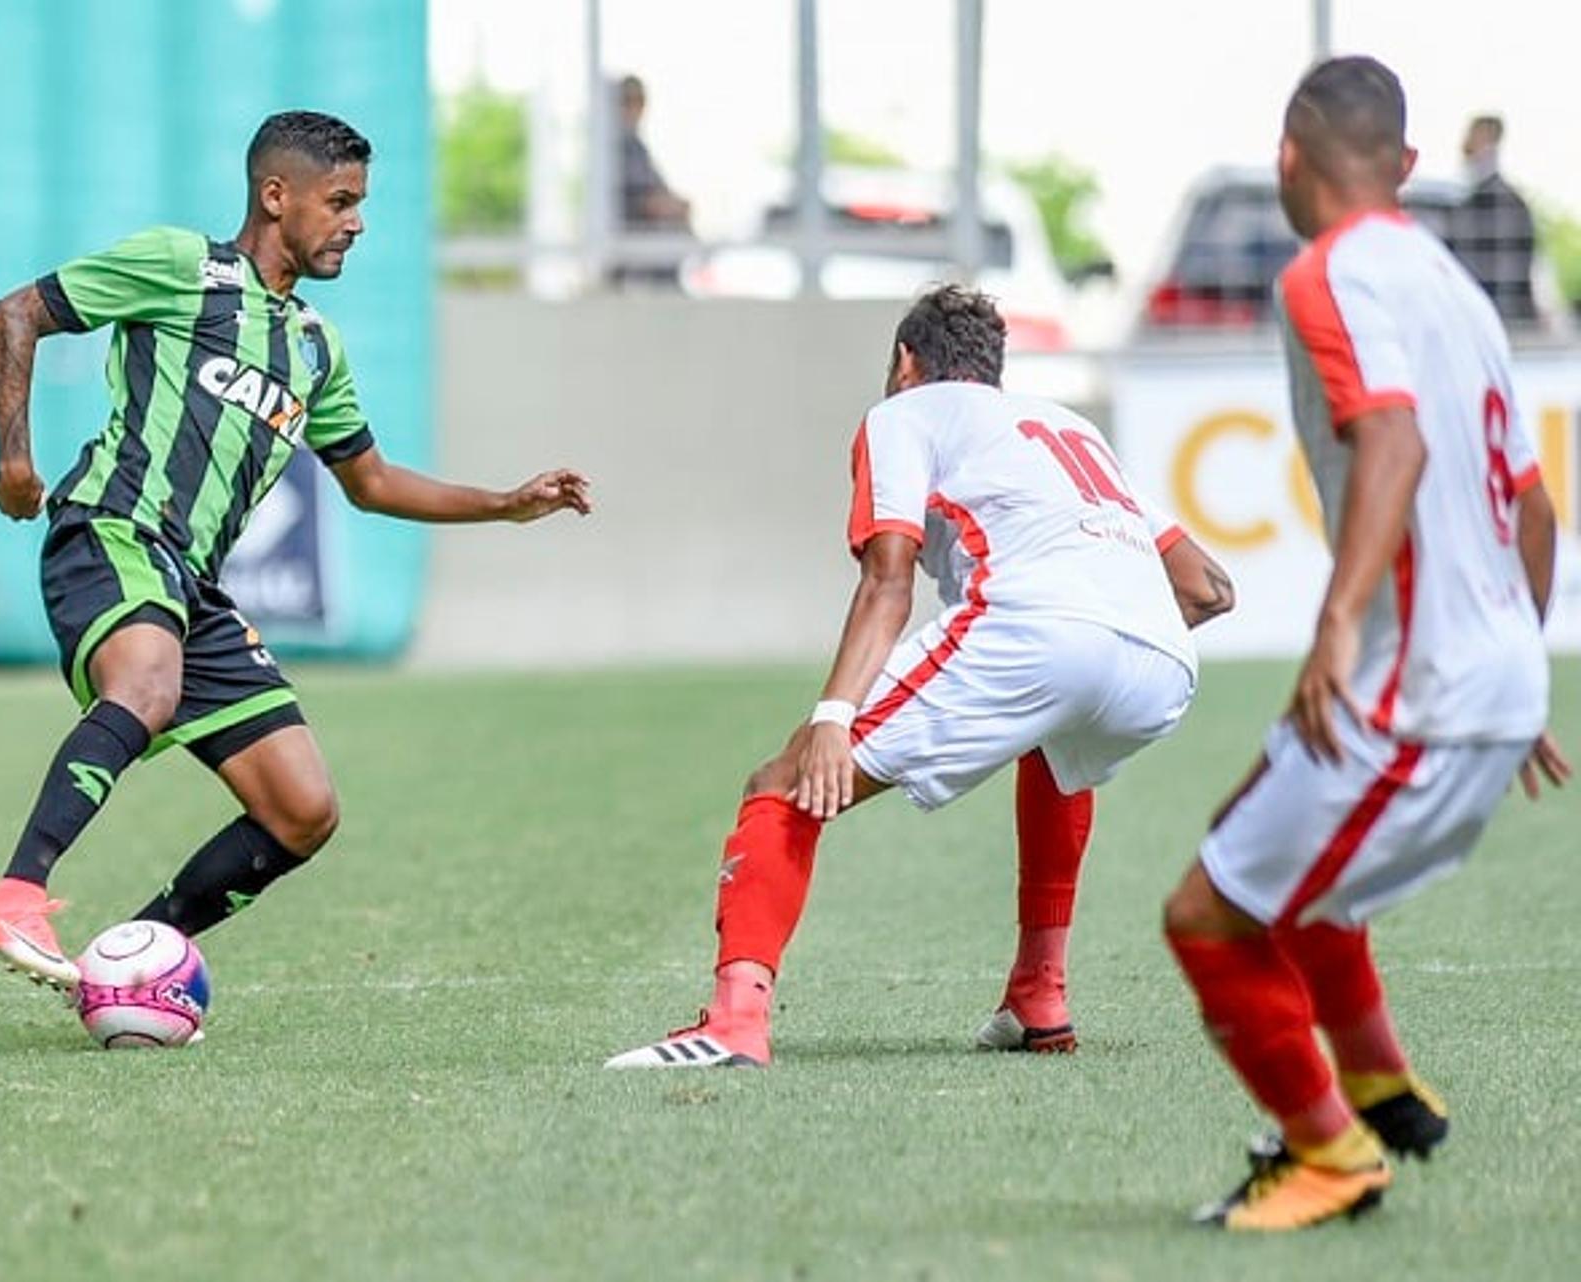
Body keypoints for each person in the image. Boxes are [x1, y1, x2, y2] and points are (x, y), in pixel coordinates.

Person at [0, 111, 592, 991]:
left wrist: (505, 504)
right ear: (274, 196)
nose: (356, 222)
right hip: (111, 531)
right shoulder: (184, 266)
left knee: (303, 809)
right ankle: (17, 897)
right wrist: (15, 462)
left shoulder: (314, 349)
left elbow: (368, 482)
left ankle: (134, 963)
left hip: (193, 586)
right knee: (145, 684)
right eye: (339, 201)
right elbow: (14, 314)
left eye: (361, 204)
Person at [606, 284, 1227, 1071]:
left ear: (907, 362)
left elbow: (889, 578)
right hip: (1165, 662)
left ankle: (734, 1022)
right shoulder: (1067, 426)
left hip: (1033, 625)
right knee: (1056, 753)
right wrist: (1105, 639)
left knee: (784, 781)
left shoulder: (905, 413)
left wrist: (834, 714)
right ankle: (1039, 994)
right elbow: (1209, 588)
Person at [1164, 57, 1568, 1233]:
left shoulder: (1322, 274)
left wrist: (1335, 627)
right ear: (1405, 166)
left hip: (1413, 694)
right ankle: (1385, 1089)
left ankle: (1329, 1148)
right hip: (1480, 685)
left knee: (1209, 912)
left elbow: (1389, 442)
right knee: (1293, 883)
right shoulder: (1458, 288)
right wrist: (1511, 667)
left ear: (1289, 159)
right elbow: (1533, 508)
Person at [1445, 114, 1538, 325]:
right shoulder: (1473, 200)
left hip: (1497, 321)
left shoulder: (1500, 203)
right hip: (1496, 321)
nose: (1465, 145)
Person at [616, 75, 691, 232]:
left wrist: (674, 204)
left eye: (639, 102)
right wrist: (658, 205)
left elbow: (660, 190)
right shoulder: (613, 150)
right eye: (628, 102)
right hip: (632, 236)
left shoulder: (638, 148)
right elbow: (638, 202)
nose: (635, 109)